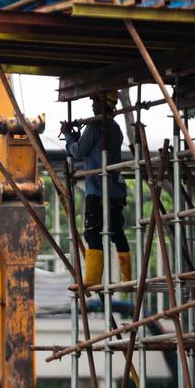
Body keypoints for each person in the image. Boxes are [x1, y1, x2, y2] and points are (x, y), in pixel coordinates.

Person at [63, 91, 130, 286]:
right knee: (117, 233)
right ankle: (127, 278)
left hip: (97, 190)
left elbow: (78, 151)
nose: (93, 105)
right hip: (115, 191)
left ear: (104, 104)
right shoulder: (115, 128)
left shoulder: (94, 127)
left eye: (96, 101)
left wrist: (68, 135)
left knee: (93, 233)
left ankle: (91, 280)